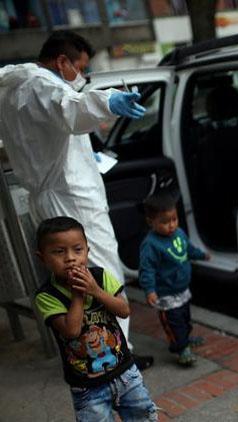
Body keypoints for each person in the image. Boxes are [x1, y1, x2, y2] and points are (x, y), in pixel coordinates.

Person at [0, 30, 154, 370]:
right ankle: (117, 352)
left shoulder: (14, 89)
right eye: (80, 68)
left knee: (72, 280)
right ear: (62, 61)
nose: (82, 77)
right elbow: (69, 106)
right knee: (100, 272)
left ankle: (92, 353)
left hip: (54, 197)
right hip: (72, 200)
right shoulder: (40, 84)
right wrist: (109, 101)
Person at [33, 217, 157, 421]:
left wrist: (96, 291)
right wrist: (79, 294)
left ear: (87, 251)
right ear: (42, 258)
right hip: (87, 387)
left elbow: (124, 310)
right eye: (59, 252)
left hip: (126, 374)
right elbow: (71, 330)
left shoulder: (100, 277)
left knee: (142, 416)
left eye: (77, 249)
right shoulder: (47, 296)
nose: (70, 258)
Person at [138, 193, 210, 366]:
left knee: (185, 317)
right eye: (164, 221)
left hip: (182, 289)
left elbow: (188, 249)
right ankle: (180, 348)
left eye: (174, 219)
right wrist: (150, 290)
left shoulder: (179, 233)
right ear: (151, 222)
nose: (171, 225)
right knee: (174, 322)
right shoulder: (151, 245)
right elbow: (147, 269)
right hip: (166, 294)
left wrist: (201, 255)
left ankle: (186, 338)